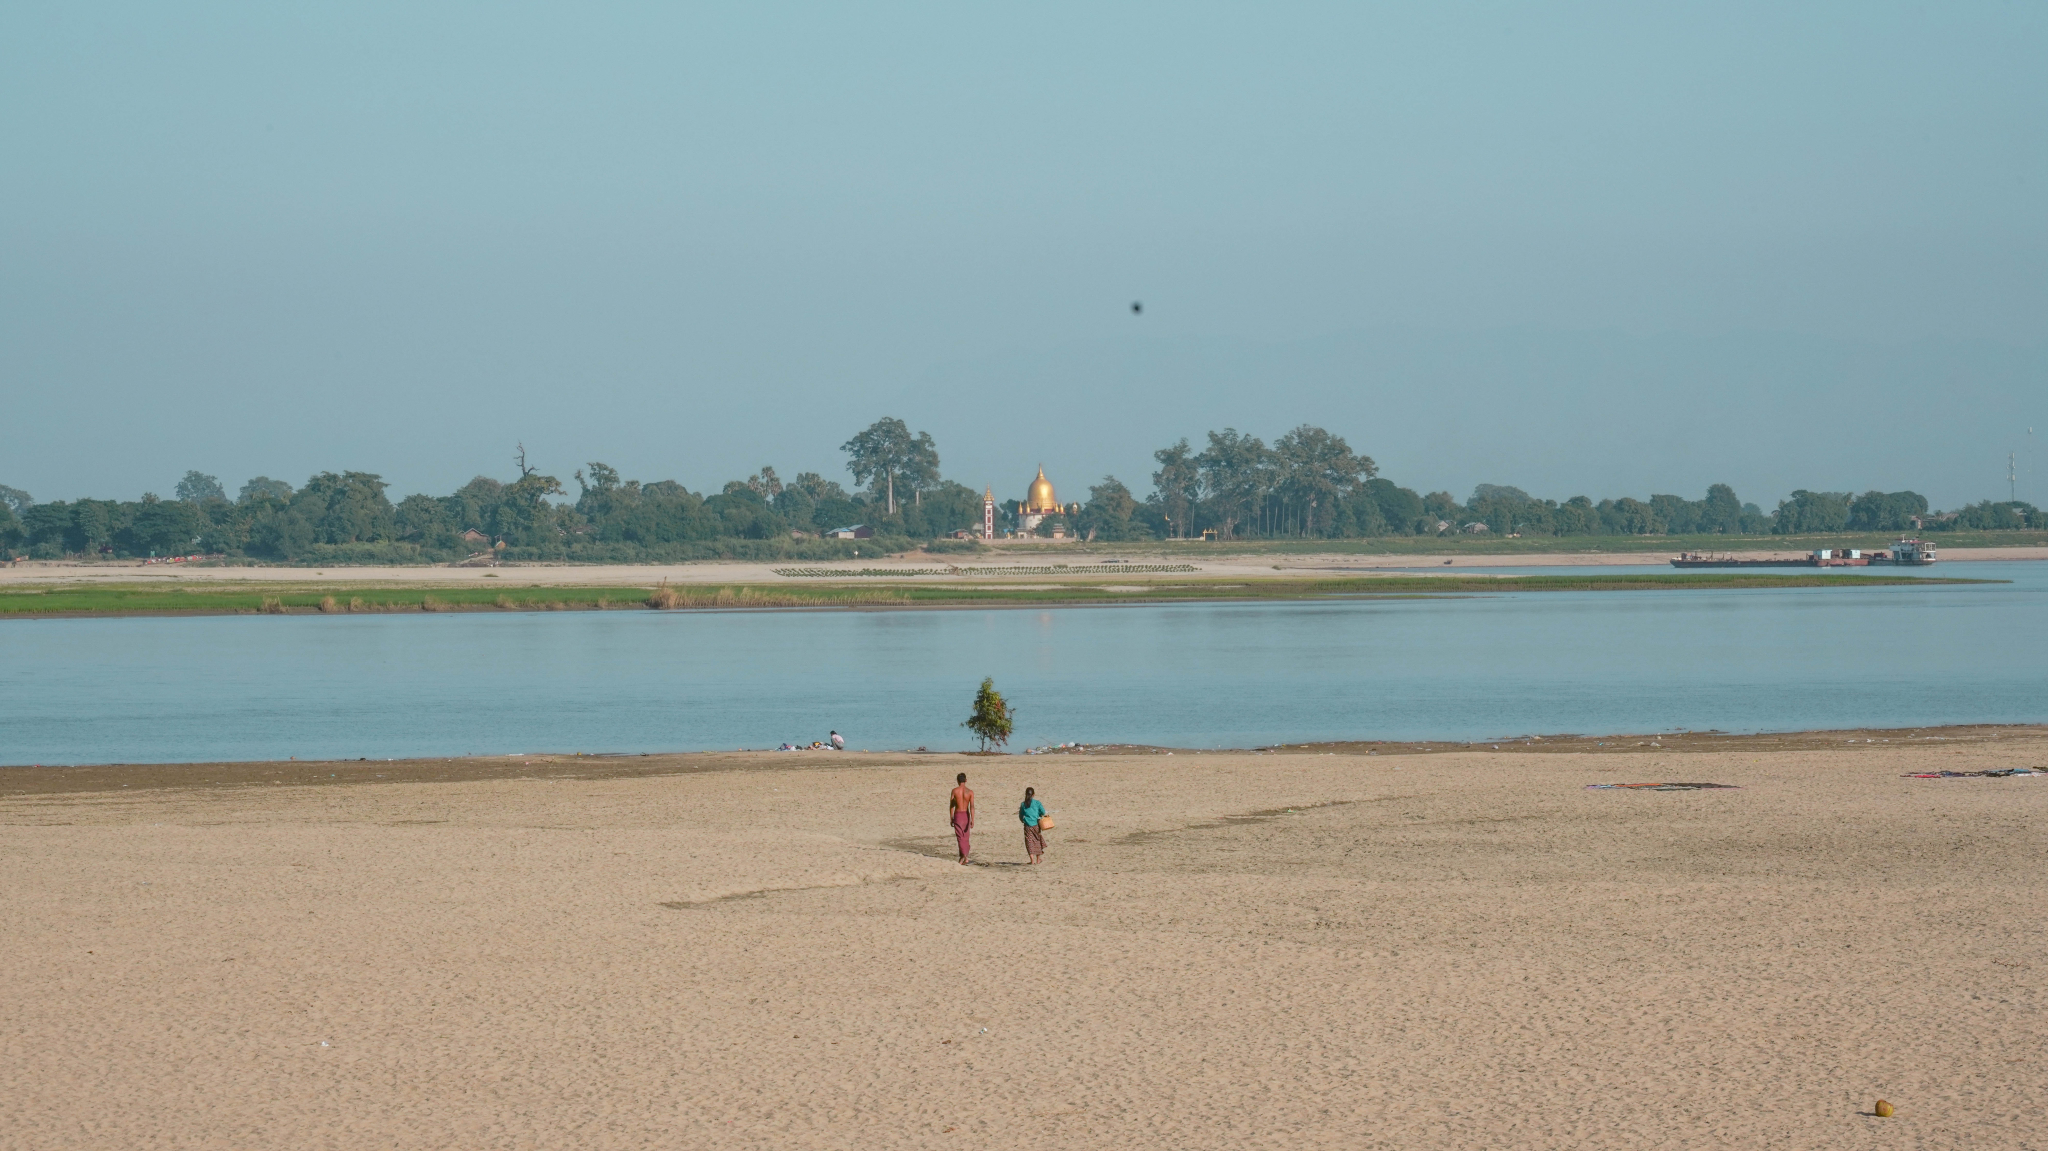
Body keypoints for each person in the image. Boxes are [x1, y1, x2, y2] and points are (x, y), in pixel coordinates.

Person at [949, 773, 975, 864]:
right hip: (966, 815)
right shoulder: (970, 792)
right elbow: (972, 806)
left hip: (958, 814)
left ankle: (964, 856)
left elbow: (952, 805)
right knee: (965, 836)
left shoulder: (954, 791)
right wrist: (972, 819)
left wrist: (951, 817)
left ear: (957, 781)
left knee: (960, 836)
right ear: (966, 780)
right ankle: (963, 857)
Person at [1018, 786, 1046, 864]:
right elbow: (1043, 812)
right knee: (1037, 841)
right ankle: (1038, 860)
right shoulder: (1037, 803)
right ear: (1033, 795)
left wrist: (1023, 820)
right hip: (1036, 825)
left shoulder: (1023, 804)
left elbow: (1020, 815)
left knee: (1029, 842)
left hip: (1027, 825)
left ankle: (1032, 861)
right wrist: (1038, 814)